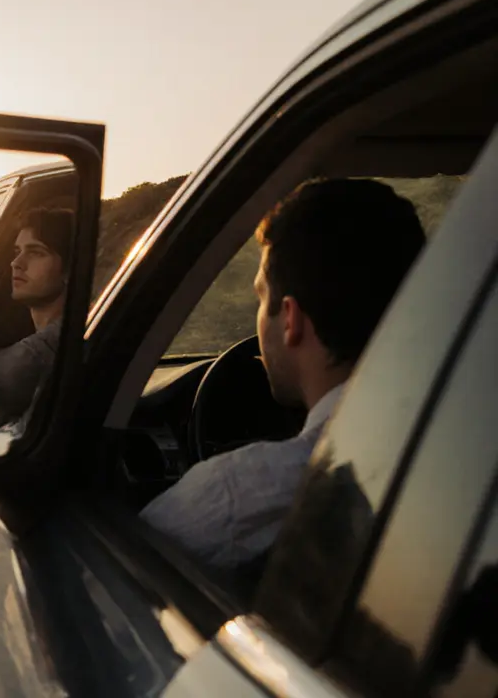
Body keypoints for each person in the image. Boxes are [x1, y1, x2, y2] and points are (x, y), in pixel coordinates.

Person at [139, 178, 426, 571]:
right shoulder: (456, 438)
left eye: (261, 297)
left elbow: (108, 581)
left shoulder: (239, 494)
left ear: (290, 319)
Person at [0, 206, 74, 421]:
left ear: (70, 268)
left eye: (36, 252)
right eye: (17, 252)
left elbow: (0, 375)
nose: (16, 263)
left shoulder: (38, 353)